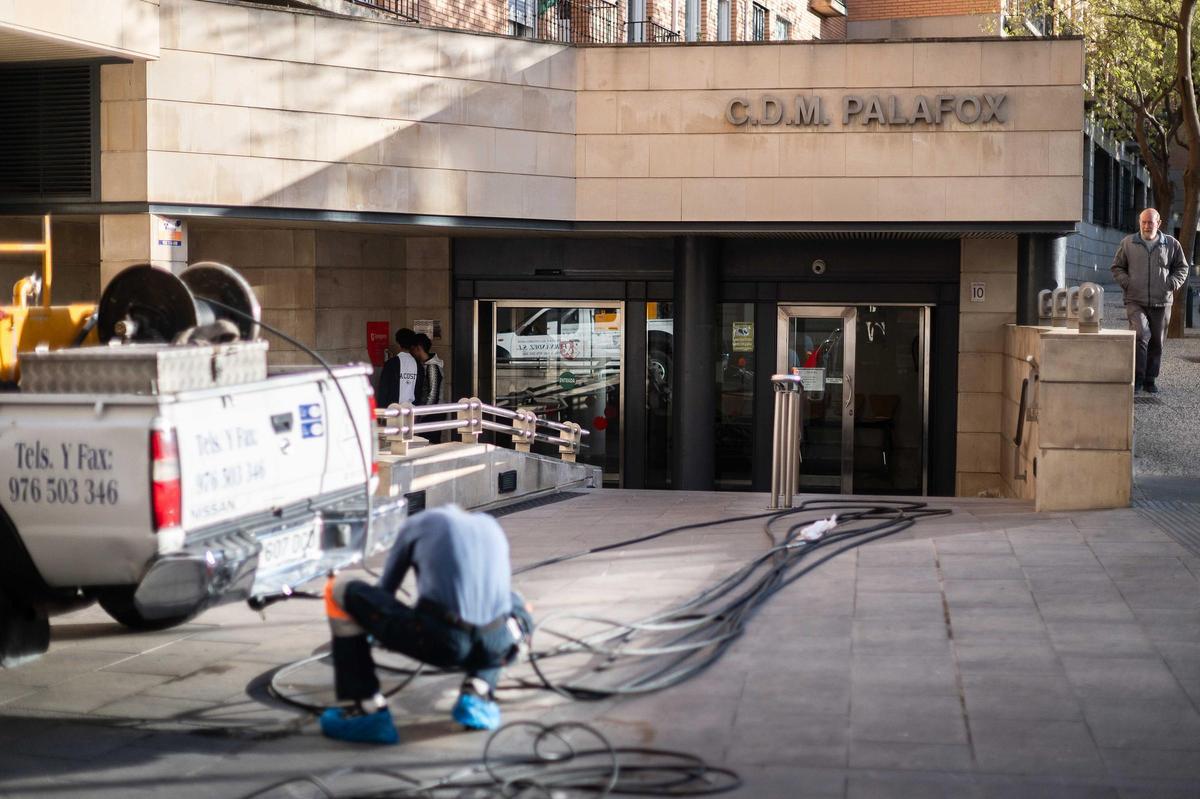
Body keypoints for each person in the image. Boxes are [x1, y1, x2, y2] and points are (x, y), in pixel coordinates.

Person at [320, 506, 533, 745]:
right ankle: (479, 692)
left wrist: (372, 636)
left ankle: (366, 708)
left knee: (340, 590)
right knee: (517, 602)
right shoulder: (490, 525)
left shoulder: (415, 525)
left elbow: (385, 592)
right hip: (498, 644)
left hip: (441, 641)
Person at [1111, 208, 1190, 393]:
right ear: (1140, 222)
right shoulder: (1128, 243)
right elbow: (1117, 267)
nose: (1147, 226)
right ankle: (1137, 378)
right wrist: (1127, 283)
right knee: (1140, 335)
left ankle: (1150, 379)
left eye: (1150, 222)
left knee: (1157, 341)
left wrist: (1171, 283)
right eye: (1143, 222)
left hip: (1161, 301)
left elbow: (1182, 268)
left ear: (1158, 223)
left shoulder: (1171, 244)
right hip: (1134, 300)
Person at [411, 332, 446, 444]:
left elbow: (433, 394)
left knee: (429, 444)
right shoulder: (425, 365)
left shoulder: (432, 367)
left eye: (413, 349)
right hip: (430, 412)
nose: (411, 352)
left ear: (419, 348)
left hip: (432, 413)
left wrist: (422, 414)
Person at [375, 328, 419, 408]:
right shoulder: (418, 365)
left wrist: (381, 412)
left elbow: (383, 390)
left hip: (393, 410)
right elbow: (419, 392)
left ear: (398, 343)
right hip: (412, 410)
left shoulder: (391, 363)